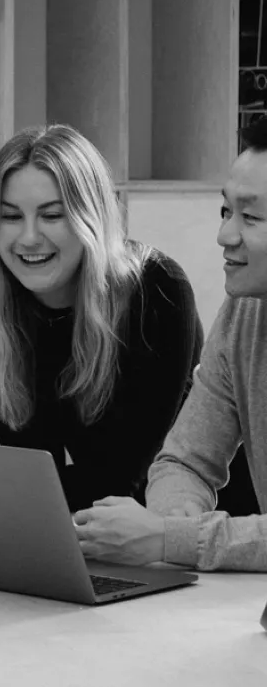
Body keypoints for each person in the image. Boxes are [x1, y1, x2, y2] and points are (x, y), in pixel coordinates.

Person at [0, 123, 202, 513]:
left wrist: (10, 499)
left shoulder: (158, 289)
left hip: (189, 520)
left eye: (52, 215)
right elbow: (30, 460)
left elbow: (132, 473)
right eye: (9, 216)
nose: (27, 238)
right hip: (95, 521)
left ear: (91, 218)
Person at [75, 115, 267, 569]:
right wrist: (172, 517)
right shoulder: (244, 311)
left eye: (251, 217)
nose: (225, 235)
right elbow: (184, 461)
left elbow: (173, 537)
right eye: (225, 211)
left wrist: (173, 538)